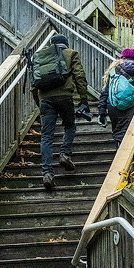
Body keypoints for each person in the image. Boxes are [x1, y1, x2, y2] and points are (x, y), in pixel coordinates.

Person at [29, 32, 95, 191]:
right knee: (70, 126)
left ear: (51, 44)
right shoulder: (71, 53)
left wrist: (40, 103)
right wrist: (83, 100)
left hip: (45, 99)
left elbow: (33, 83)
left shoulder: (41, 56)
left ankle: (47, 173)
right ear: (65, 44)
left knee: (46, 136)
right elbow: (79, 76)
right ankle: (65, 154)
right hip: (65, 97)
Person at [100, 47, 134, 139]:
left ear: (122, 58)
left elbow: (105, 92)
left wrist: (102, 111)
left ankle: (119, 150)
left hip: (113, 105)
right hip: (133, 105)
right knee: (131, 134)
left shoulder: (114, 71)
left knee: (118, 132)